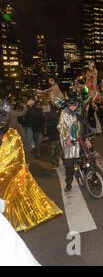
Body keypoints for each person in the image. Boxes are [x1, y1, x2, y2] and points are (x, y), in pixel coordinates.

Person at [0, 100, 62, 231]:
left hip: (10, 186)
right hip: (7, 185)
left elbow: (18, 159)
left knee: (12, 218)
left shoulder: (12, 134)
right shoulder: (13, 131)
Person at [58, 92, 93, 192]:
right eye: (70, 104)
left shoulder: (81, 112)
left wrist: (87, 139)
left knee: (87, 161)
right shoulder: (64, 113)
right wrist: (67, 138)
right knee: (69, 165)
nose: (72, 106)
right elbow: (61, 127)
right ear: (67, 105)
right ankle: (68, 183)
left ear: (77, 104)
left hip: (81, 141)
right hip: (70, 143)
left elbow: (86, 125)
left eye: (74, 104)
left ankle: (87, 177)